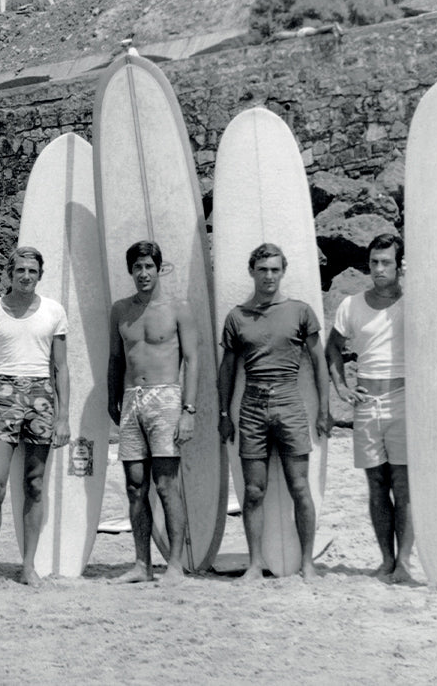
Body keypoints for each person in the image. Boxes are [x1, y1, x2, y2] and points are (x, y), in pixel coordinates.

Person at [218, 243, 329, 582]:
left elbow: (318, 361)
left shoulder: (300, 311)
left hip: (290, 403)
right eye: (263, 269)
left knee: (299, 487)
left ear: (283, 272)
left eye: (275, 270)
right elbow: (227, 369)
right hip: (251, 406)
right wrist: (224, 414)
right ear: (252, 271)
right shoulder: (237, 316)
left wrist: (324, 409)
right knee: (253, 491)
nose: (269, 276)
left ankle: (307, 563)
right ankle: (254, 564)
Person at [0, 246, 70, 588]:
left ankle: (28, 565)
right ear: (9, 274)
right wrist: (0, 394)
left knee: (34, 484)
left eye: (32, 271)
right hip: (4, 394)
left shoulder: (53, 311)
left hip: (42, 396)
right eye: (20, 271)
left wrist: (63, 417)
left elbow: (60, 367)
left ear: (39, 275)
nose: (26, 276)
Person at [107, 241, 198, 584]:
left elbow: (192, 359)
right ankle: (141, 564)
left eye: (149, 267)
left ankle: (174, 565)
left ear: (159, 268)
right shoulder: (120, 310)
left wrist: (188, 410)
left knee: (165, 484)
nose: (143, 274)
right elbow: (115, 358)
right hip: (132, 398)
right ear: (130, 271)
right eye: (137, 268)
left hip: (166, 397)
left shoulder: (178, 308)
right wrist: (111, 398)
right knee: (134, 486)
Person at [326, 233, 413, 583]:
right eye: (374, 262)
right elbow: (332, 348)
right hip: (366, 405)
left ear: (399, 265)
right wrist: (342, 389)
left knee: (404, 484)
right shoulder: (351, 305)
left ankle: (404, 563)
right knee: (376, 484)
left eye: (386, 262)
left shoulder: (413, 301)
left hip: (405, 400)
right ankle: (386, 560)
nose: (379, 269)